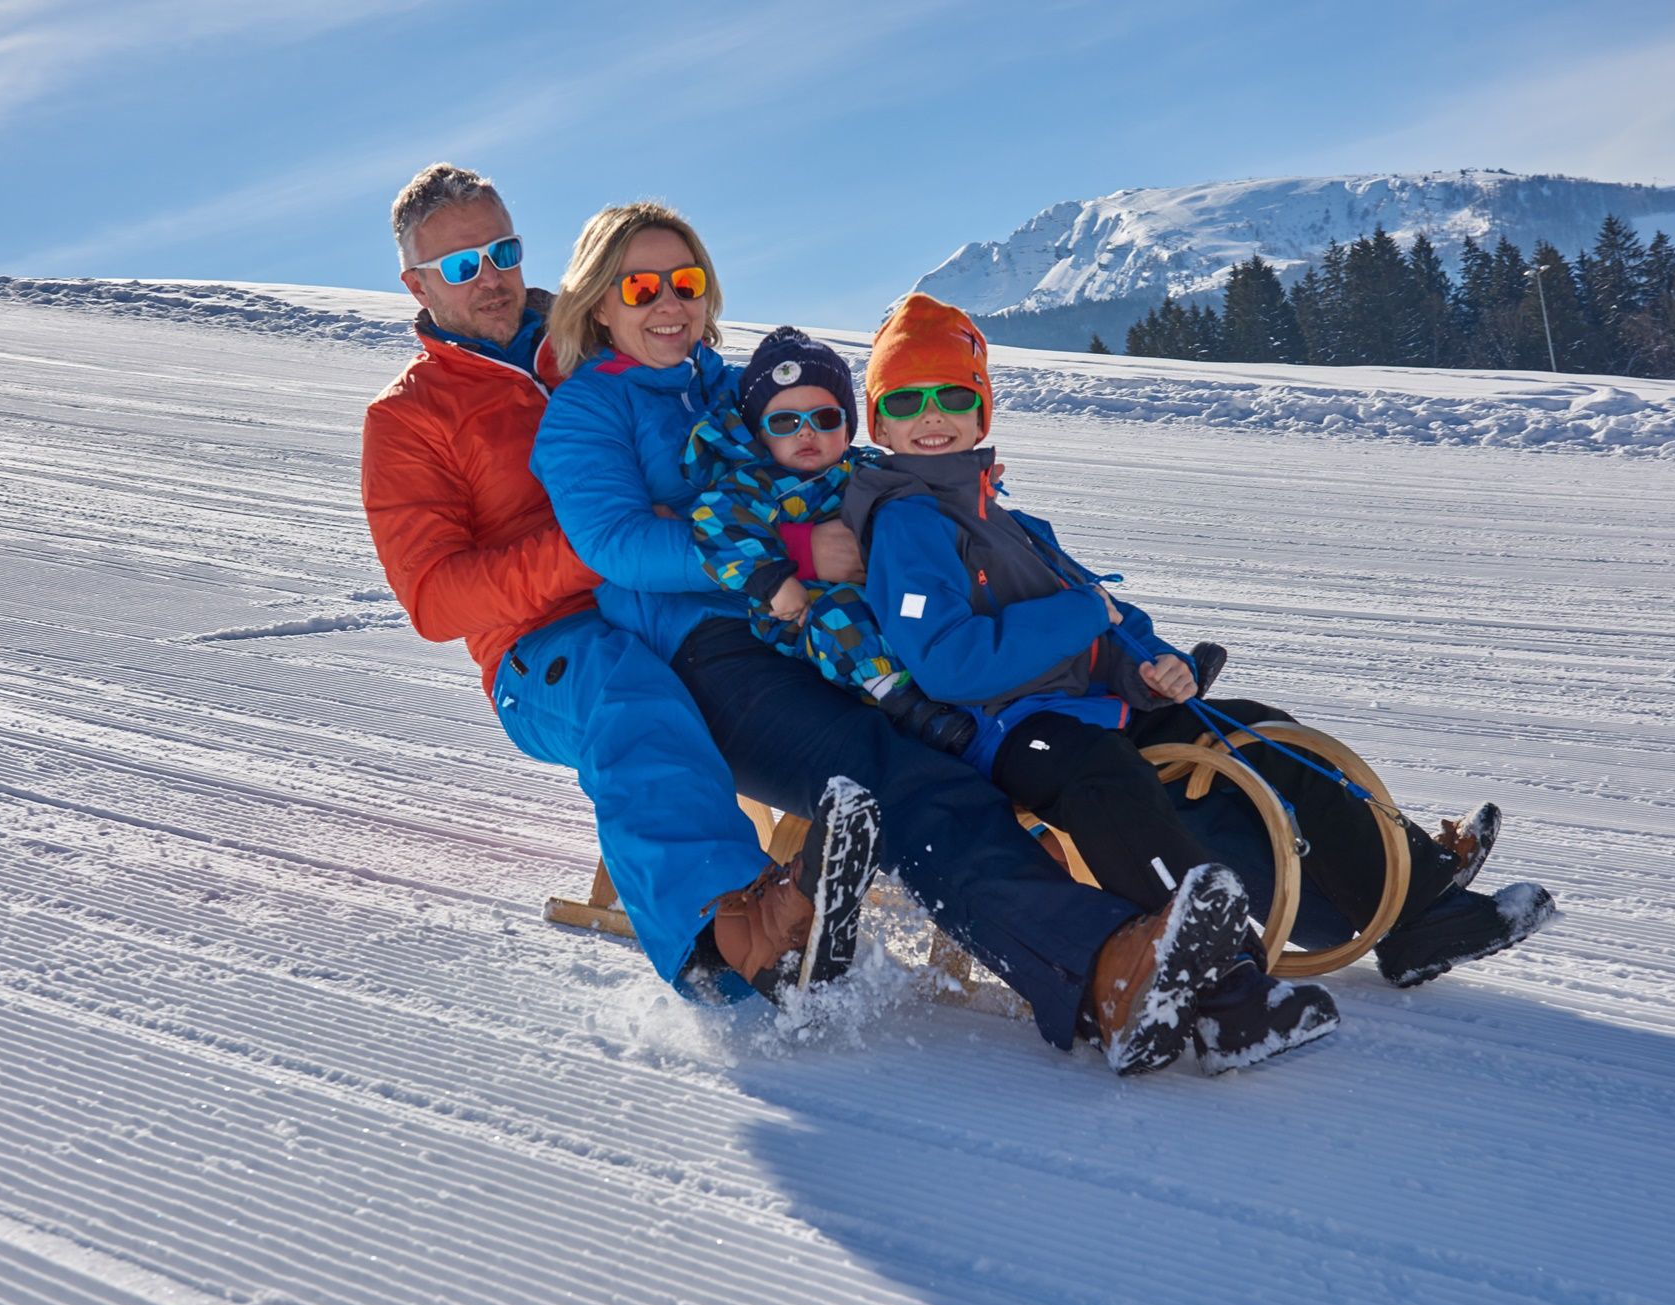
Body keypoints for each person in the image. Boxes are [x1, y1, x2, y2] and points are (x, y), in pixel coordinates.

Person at [532, 201, 1274, 1076]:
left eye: (684, 282)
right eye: (641, 285)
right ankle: (1103, 965)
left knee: (982, 741)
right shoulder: (586, 410)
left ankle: (1205, 921)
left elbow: (822, 469)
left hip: (829, 639)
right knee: (902, 778)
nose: (669, 302)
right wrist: (795, 553)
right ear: (598, 305)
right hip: (715, 654)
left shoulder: (719, 382)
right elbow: (617, 544)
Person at [842, 293, 1557, 997]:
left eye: (950, 396)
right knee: (1110, 788)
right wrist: (1078, 617)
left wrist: (1155, 669)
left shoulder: (1009, 516)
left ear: (980, 410)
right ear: (879, 419)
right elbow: (948, 660)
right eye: (905, 402)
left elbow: (1111, 618)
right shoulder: (909, 523)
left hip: (1094, 707)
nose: (930, 417)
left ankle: (1416, 905)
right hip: (1010, 730)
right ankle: (1224, 968)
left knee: (1263, 733)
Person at [358, 164, 882, 1013]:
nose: (490, 277)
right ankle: (733, 932)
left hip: (680, 595)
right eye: (460, 266)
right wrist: (596, 549)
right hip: (547, 651)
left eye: (502, 251)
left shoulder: (591, 341)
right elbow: (434, 599)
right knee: (626, 688)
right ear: (414, 283)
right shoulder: (409, 418)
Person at [681, 326, 975, 753]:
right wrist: (775, 582)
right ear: (760, 434)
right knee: (843, 616)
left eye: (824, 419)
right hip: (806, 612)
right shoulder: (751, 483)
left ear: (847, 426)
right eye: (785, 422)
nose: (806, 432)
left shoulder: (870, 468)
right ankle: (905, 703)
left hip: (888, 594)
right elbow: (718, 526)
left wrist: (967, 487)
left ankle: (964, 678)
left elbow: (924, 490)